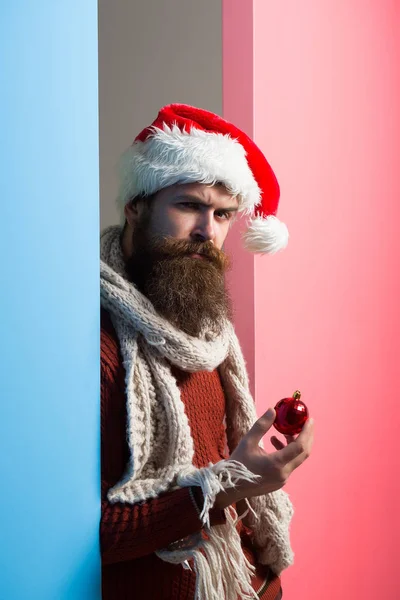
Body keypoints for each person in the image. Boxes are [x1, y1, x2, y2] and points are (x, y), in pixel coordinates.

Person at [100, 103, 314, 600]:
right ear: (136, 204)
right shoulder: (94, 340)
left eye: (222, 214)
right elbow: (86, 535)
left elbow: (221, 465)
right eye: (189, 205)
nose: (208, 231)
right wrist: (227, 484)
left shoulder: (208, 329)